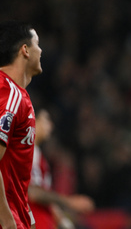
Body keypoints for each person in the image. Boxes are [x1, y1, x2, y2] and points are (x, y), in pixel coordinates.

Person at [0, 21, 43, 229]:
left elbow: (13, 170)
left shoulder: (16, 95)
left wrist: (27, 218)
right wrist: (7, 219)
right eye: (37, 44)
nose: (41, 50)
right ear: (25, 50)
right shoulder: (9, 94)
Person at [28, 109, 95, 229]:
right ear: (33, 121)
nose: (50, 126)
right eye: (45, 120)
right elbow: (32, 192)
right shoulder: (29, 152)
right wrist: (70, 202)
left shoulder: (38, 155)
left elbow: (43, 195)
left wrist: (64, 222)